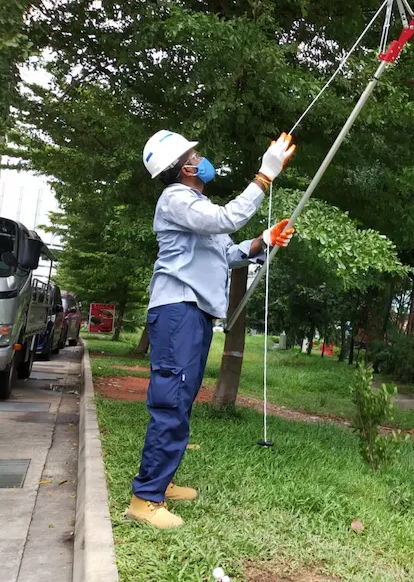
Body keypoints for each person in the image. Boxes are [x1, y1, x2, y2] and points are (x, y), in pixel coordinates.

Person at [127, 130, 296, 529]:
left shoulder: (195, 204)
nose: (201, 159)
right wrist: (263, 177)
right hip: (178, 311)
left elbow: (228, 251)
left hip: (194, 312)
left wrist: (262, 241)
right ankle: (144, 499)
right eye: (194, 154)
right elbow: (227, 219)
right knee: (171, 402)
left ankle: (160, 483)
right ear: (184, 167)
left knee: (181, 400)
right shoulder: (175, 199)